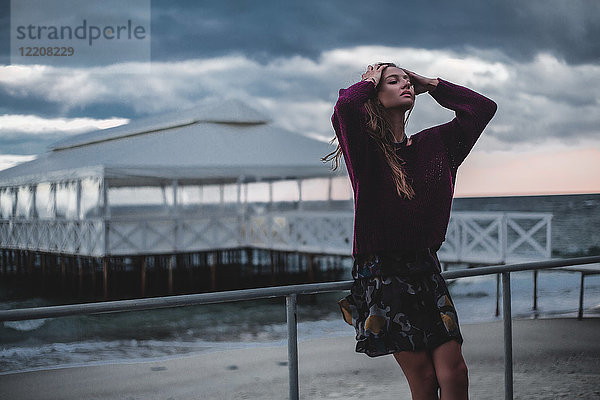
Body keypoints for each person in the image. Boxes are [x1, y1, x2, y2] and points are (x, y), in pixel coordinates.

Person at [323, 63, 497, 400]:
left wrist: (431, 84)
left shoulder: (438, 143)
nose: (404, 83)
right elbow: (345, 107)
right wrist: (369, 80)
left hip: (426, 268)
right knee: (425, 379)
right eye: (394, 80)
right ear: (375, 95)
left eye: (407, 79)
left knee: (456, 373)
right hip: (382, 272)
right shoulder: (365, 150)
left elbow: (482, 108)